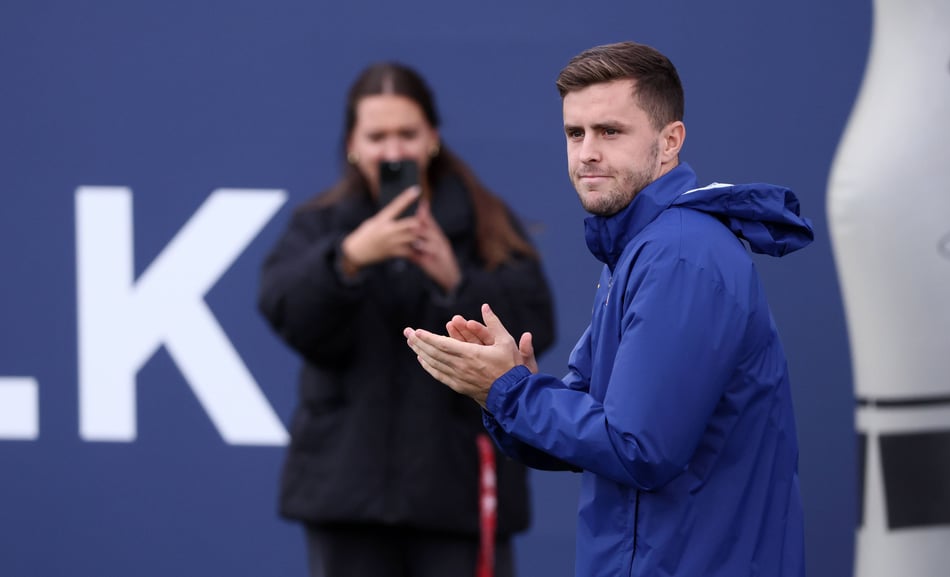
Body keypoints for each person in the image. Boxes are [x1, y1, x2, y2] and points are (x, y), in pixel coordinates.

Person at [404, 41, 813, 577]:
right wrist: (507, 390)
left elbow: (637, 448)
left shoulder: (681, 254)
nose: (587, 152)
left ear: (670, 143)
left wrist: (512, 390)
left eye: (610, 132)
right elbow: (595, 428)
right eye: (575, 133)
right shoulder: (644, 246)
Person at [258, 61, 556, 577]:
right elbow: (286, 313)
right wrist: (347, 259)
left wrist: (453, 279)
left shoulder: (486, 221)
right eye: (377, 136)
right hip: (346, 496)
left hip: (458, 491)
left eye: (407, 134)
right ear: (353, 143)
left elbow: (536, 327)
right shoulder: (322, 226)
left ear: (432, 139)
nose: (393, 151)